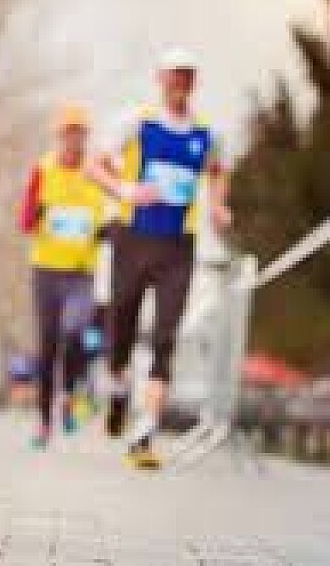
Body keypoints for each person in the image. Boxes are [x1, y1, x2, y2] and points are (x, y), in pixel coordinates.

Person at [94, 48, 232, 469]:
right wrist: (126, 190)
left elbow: (219, 170)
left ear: (194, 83)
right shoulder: (138, 123)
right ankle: (119, 391)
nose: (179, 85)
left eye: (186, 78)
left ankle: (144, 434)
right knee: (120, 330)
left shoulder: (207, 134)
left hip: (178, 246)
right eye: (173, 77)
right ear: (160, 79)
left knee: (165, 338)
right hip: (132, 238)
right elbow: (94, 166)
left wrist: (217, 206)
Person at [18, 103, 107, 449]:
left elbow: (115, 208)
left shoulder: (97, 171)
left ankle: (67, 394)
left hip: (81, 272)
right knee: (47, 344)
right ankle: (44, 422)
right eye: (68, 133)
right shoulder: (42, 170)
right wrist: (39, 213)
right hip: (46, 270)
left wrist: (106, 230)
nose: (74, 139)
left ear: (86, 137)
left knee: (74, 331)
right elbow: (25, 222)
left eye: (79, 133)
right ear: (59, 136)